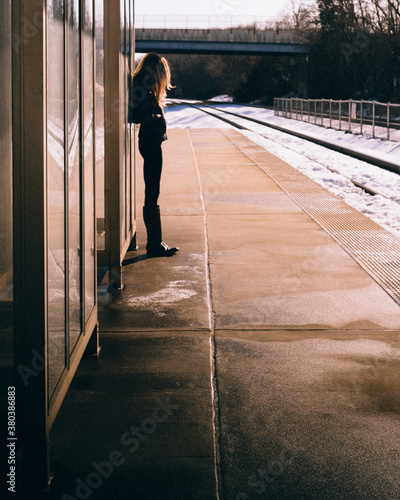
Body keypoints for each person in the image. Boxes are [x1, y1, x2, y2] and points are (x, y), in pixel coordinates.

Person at [129, 52, 179, 257]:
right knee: (152, 190)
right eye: (161, 71)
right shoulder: (143, 86)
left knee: (153, 189)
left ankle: (155, 242)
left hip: (150, 141)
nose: (162, 77)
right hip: (149, 142)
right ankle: (154, 244)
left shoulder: (143, 84)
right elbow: (136, 114)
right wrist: (155, 117)